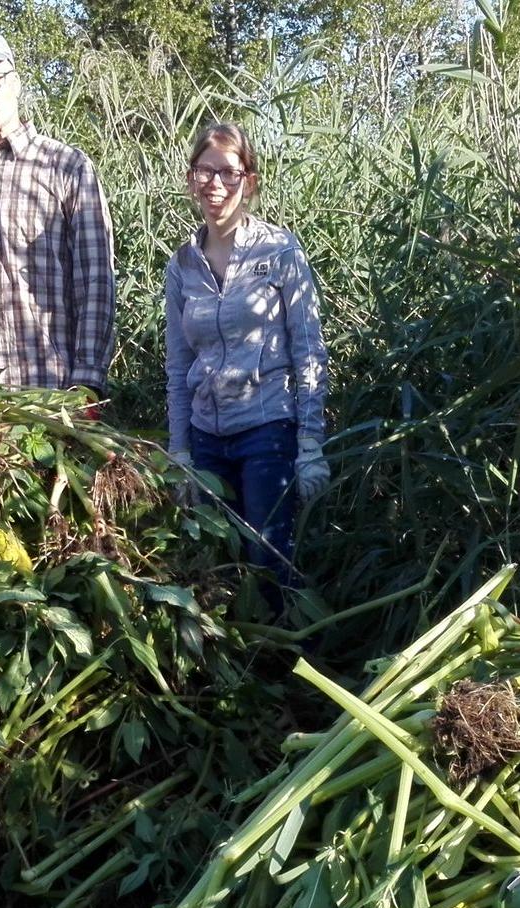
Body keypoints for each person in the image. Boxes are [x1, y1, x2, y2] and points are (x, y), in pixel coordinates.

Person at [164, 122, 329, 586]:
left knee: (268, 557)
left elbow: (308, 348)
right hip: (206, 436)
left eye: (228, 173)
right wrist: (179, 450)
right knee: (222, 563)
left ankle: (288, 653)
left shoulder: (278, 250)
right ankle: (237, 655)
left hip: (266, 430)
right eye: (205, 171)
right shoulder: (182, 265)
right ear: (191, 177)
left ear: (249, 180)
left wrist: (310, 442)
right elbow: (179, 366)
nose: (215, 185)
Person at [0, 29, 115, 398]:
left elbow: (96, 282)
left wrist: (88, 382)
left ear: (15, 83)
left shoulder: (66, 167)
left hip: (53, 388)